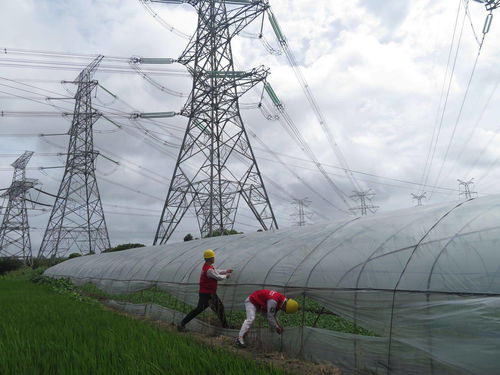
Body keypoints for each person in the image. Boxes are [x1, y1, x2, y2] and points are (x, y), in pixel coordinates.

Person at [177, 249, 233, 331]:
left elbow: (215, 271)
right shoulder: (209, 269)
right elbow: (217, 277)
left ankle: (225, 326)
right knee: (200, 309)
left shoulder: (208, 266)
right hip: (207, 294)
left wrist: (225, 271)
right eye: (213, 257)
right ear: (210, 258)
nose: (214, 258)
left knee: (219, 308)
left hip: (209, 293)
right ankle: (182, 324)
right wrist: (226, 276)